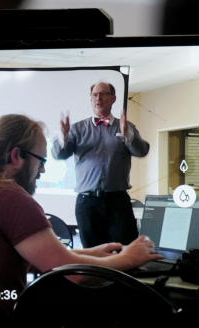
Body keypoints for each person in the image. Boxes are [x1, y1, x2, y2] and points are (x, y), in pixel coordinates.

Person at [0, 114, 163, 317]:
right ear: (17, 156)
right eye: (41, 160)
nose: (43, 169)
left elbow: (40, 257)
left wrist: (89, 252)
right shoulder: (7, 196)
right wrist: (130, 257)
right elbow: (74, 274)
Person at [52, 82, 150, 248]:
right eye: (95, 95)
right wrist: (63, 137)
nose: (98, 98)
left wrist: (129, 135)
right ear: (91, 99)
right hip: (87, 202)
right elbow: (59, 155)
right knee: (92, 254)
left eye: (103, 94)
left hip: (118, 201)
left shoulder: (126, 126)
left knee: (126, 250)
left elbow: (141, 151)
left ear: (113, 99)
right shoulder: (77, 129)